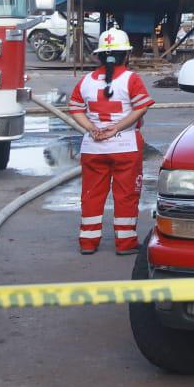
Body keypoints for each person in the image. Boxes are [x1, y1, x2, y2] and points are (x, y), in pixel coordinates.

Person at [68, 28, 154, 255]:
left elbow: (75, 108)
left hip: (92, 147)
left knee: (91, 194)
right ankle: (125, 243)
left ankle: (88, 242)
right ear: (126, 55)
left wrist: (92, 129)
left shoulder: (85, 81)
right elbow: (141, 107)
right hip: (126, 146)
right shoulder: (131, 79)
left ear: (99, 56)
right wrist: (116, 127)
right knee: (126, 194)